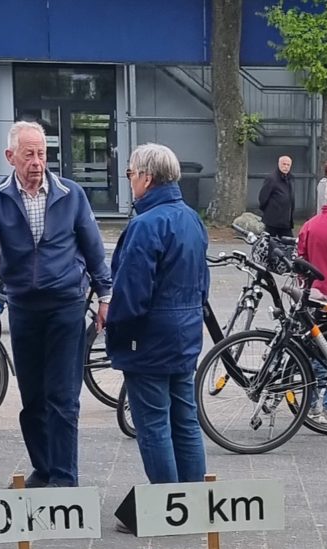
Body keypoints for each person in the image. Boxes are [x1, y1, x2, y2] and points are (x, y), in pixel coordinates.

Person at [0, 120, 112, 489]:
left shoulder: (71, 194)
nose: (37, 162)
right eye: (29, 154)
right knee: (32, 398)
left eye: (42, 153)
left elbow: (93, 247)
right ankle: (44, 468)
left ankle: (65, 480)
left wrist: (106, 295)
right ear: (10, 156)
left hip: (66, 305)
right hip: (23, 306)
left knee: (63, 396)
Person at [107, 143, 208, 516]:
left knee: (152, 422)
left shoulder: (146, 224)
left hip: (149, 336)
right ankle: (193, 499)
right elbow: (203, 281)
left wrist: (116, 329)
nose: (130, 180)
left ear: (146, 178)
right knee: (185, 417)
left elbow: (132, 291)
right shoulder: (192, 219)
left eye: (130, 173)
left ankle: (168, 504)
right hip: (185, 330)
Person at [257, 154, 295, 238]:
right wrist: (268, 211)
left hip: (286, 221)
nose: (286, 167)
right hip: (272, 220)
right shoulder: (272, 178)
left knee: (289, 243)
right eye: (284, 164)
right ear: (279, 164)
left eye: (288, 165)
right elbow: (263, 198)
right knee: (268, 242)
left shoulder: (290, 179)